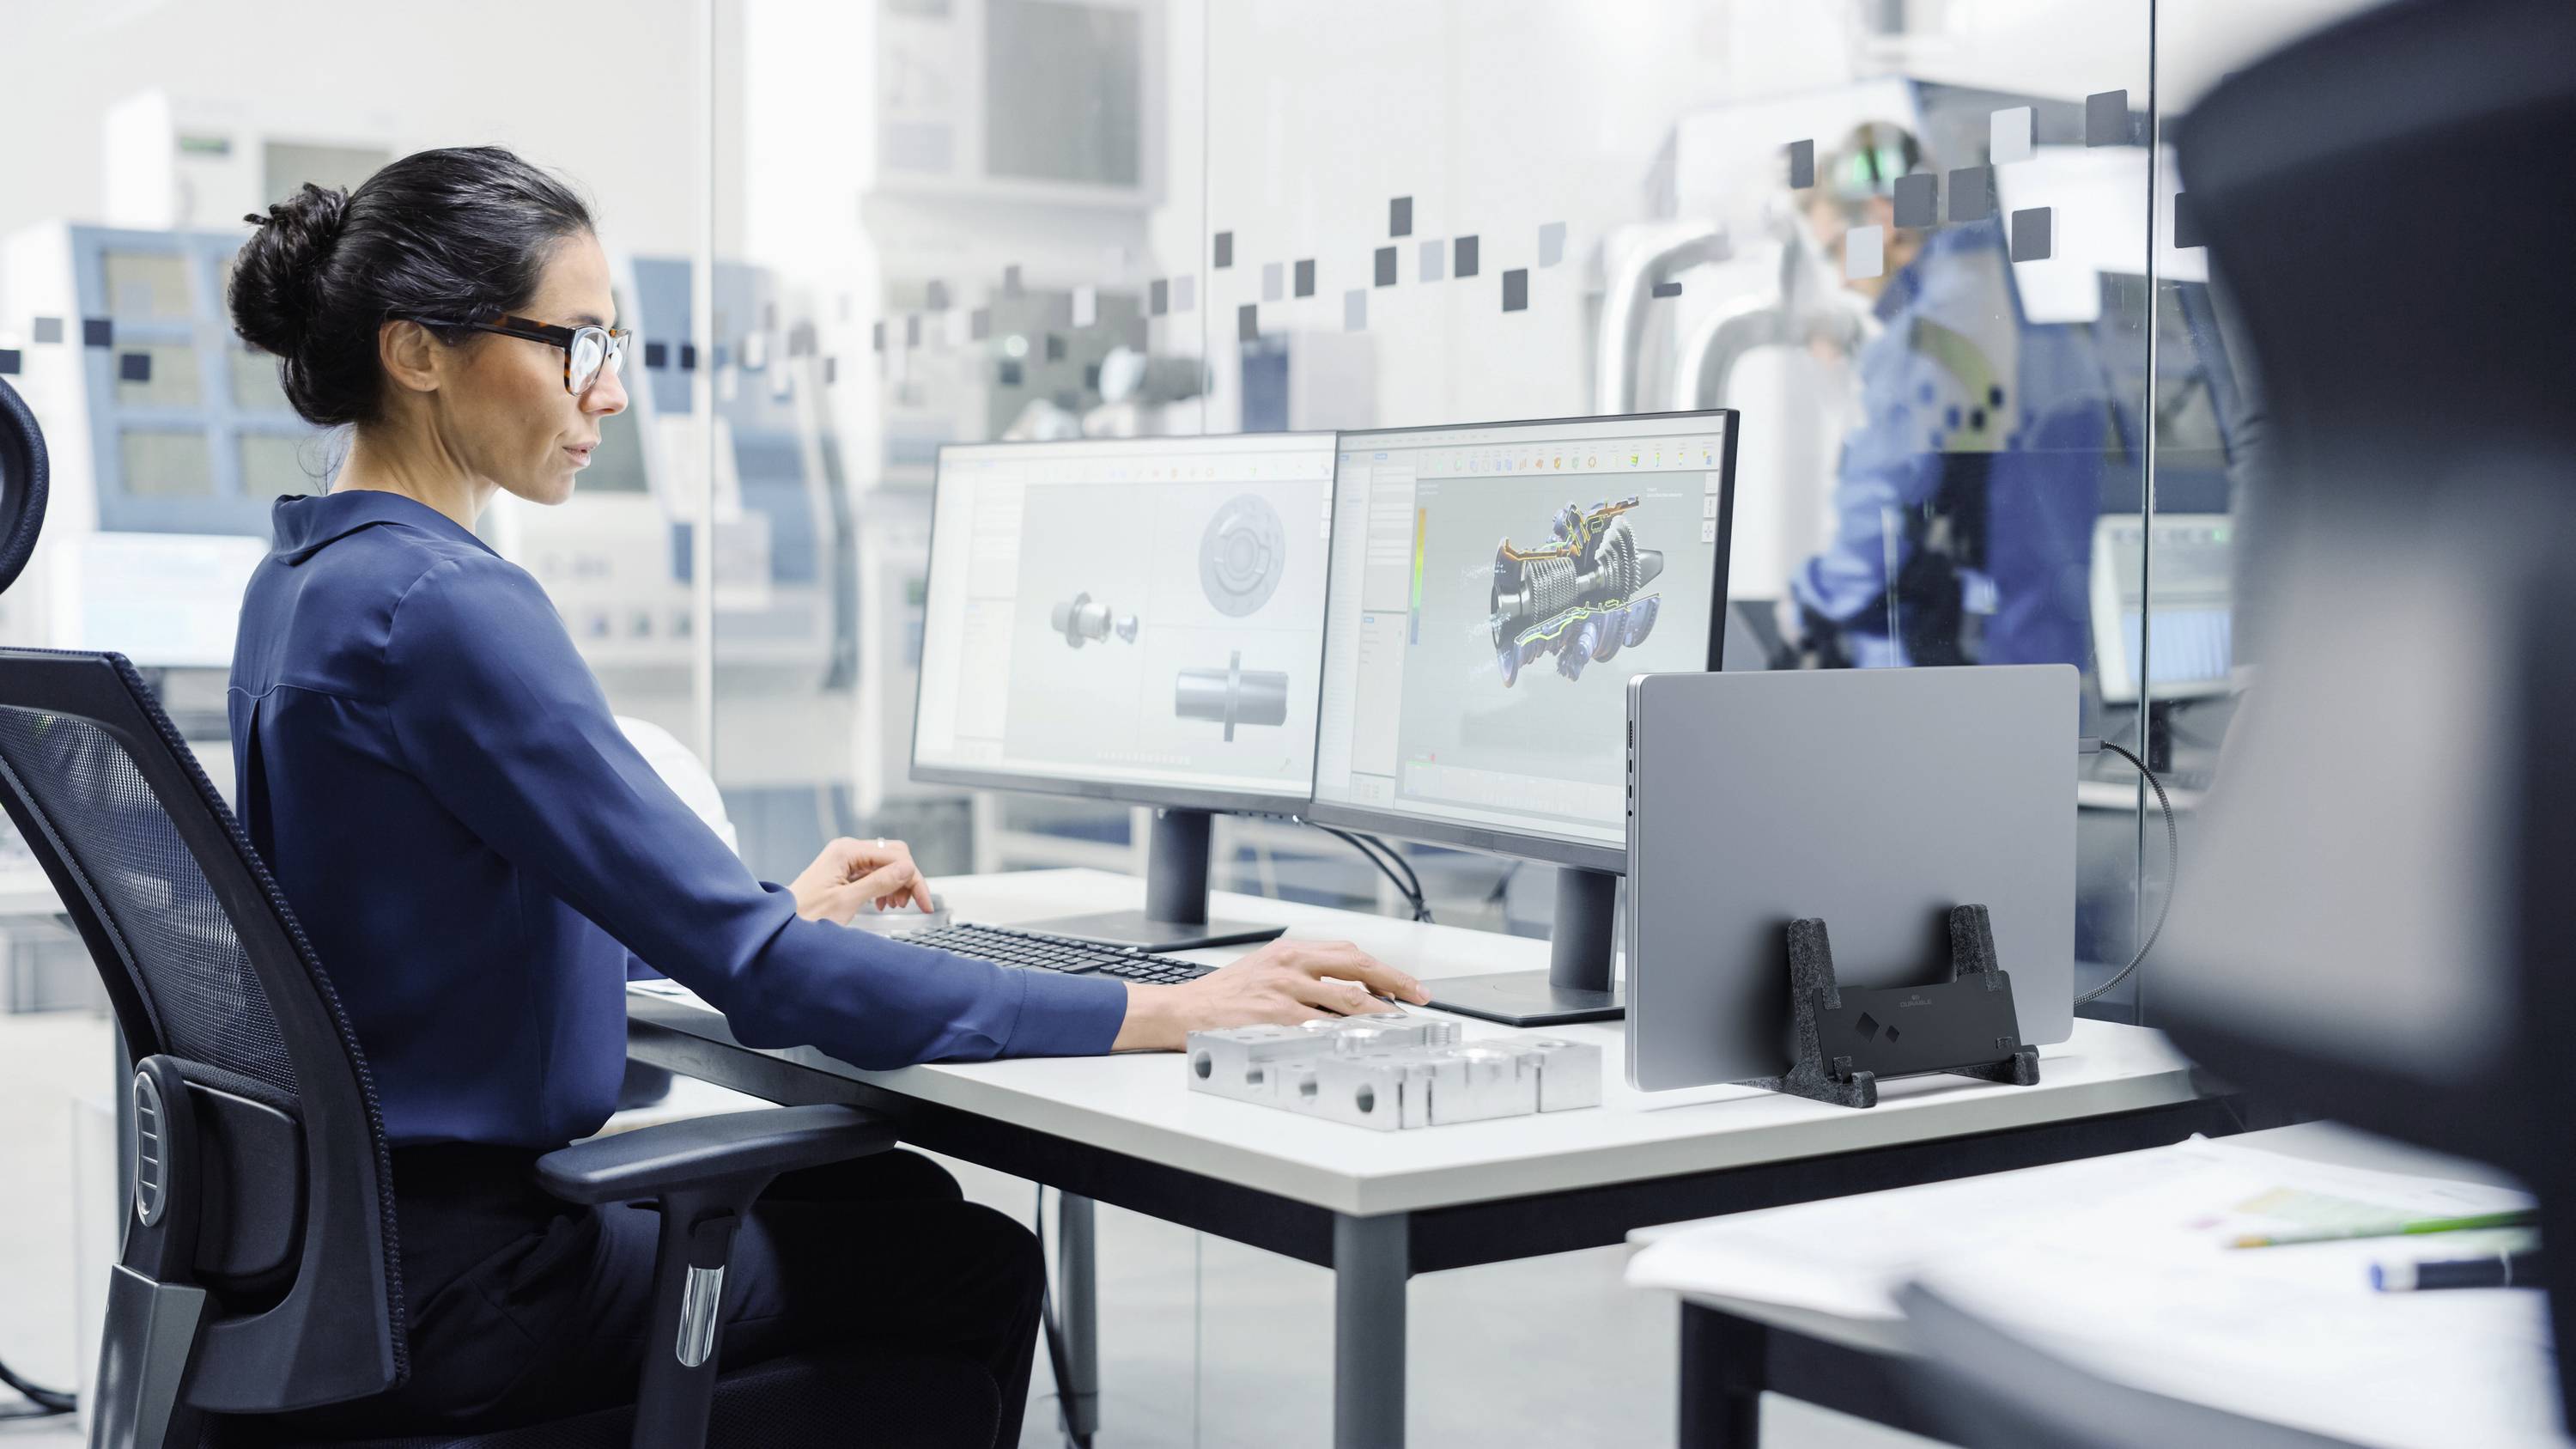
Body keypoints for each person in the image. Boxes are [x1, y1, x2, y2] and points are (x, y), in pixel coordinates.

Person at [223, 145, 1427, 1440]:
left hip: (347, 1260)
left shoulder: (306, 578)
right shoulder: (447, 607)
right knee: (967, 1264)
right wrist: (1169, 1004)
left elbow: (424, 922)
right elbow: (776, 985)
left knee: (892, 1203)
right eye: (575, 344)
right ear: (417, 353)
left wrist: (763, 910)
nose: (610, 390)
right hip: (474, 1285)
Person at [1783, 123, 2130, 670]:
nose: (1842, 280)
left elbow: (1875, 525)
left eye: (1835, 252)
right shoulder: (2028, 311)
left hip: (1971, 670)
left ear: (1882, 218)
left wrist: (1806, 603)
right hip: (2051, 659)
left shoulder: (1932, 338)